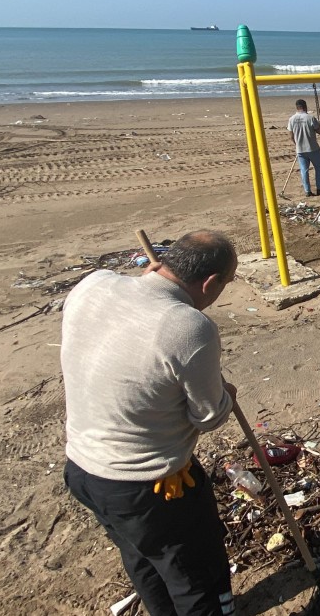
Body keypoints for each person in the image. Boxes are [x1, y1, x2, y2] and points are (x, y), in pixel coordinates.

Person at [62, 230, 239, 616]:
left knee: (144, 558)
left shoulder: (93, 284)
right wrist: (228, 395)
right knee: (198, 579)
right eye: (224, 284)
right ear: (210, 283)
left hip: (83, 470)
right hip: (149, 488)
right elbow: (209, 416)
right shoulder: (187, 326)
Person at [287, 99, 320, 196]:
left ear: (297, 107)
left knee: (304, 171)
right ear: (305, 107)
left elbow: (291, 136)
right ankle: (319, 188)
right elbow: (319, 131)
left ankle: (307, 190)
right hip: (312, 148)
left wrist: (296, 144)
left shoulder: (292, 119)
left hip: (300, 149)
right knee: (318, 169)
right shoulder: (310, 118)